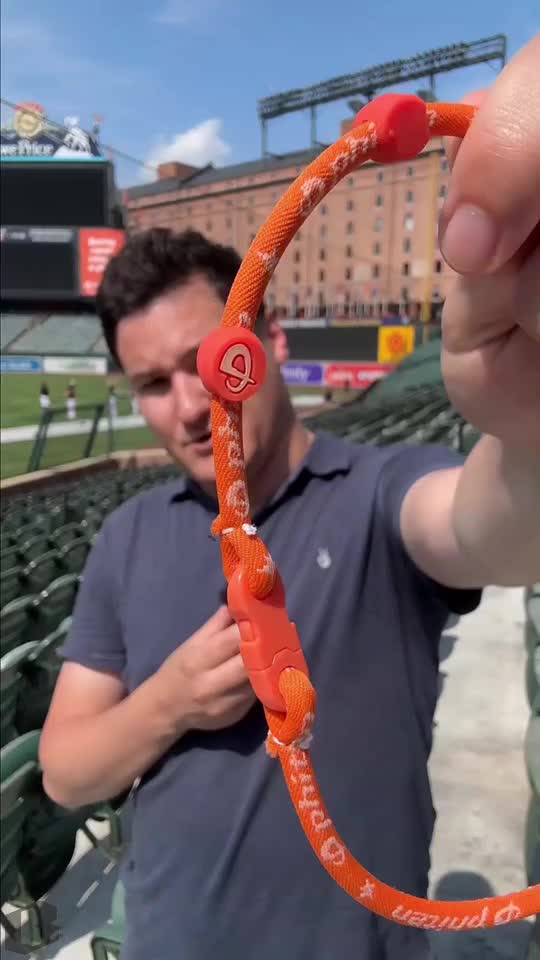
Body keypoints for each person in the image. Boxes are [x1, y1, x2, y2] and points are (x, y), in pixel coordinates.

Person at [39, 37, 540, 960]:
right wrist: (172, 701)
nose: (190, 407)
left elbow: (490, 522)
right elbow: (65, 774)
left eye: (205, 362)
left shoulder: (379, 491)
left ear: (267, 339)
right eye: (152, 385)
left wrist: (531, 424)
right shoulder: (128, 535)